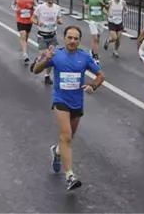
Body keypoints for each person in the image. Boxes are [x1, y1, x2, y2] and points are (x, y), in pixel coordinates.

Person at [32, 26, 105, 191]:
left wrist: (93, 86)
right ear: (64, 39)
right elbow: (36, 70)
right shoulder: (56, 55)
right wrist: (44, 59)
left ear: (79, 40)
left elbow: (101, 75)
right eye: (69, 37)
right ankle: (70, 175)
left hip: (77, 102)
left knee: (69, 136)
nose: (72, 41)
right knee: (66, 137)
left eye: (76, 38)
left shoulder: (84, 57)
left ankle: (57, 151)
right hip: (60, 100)